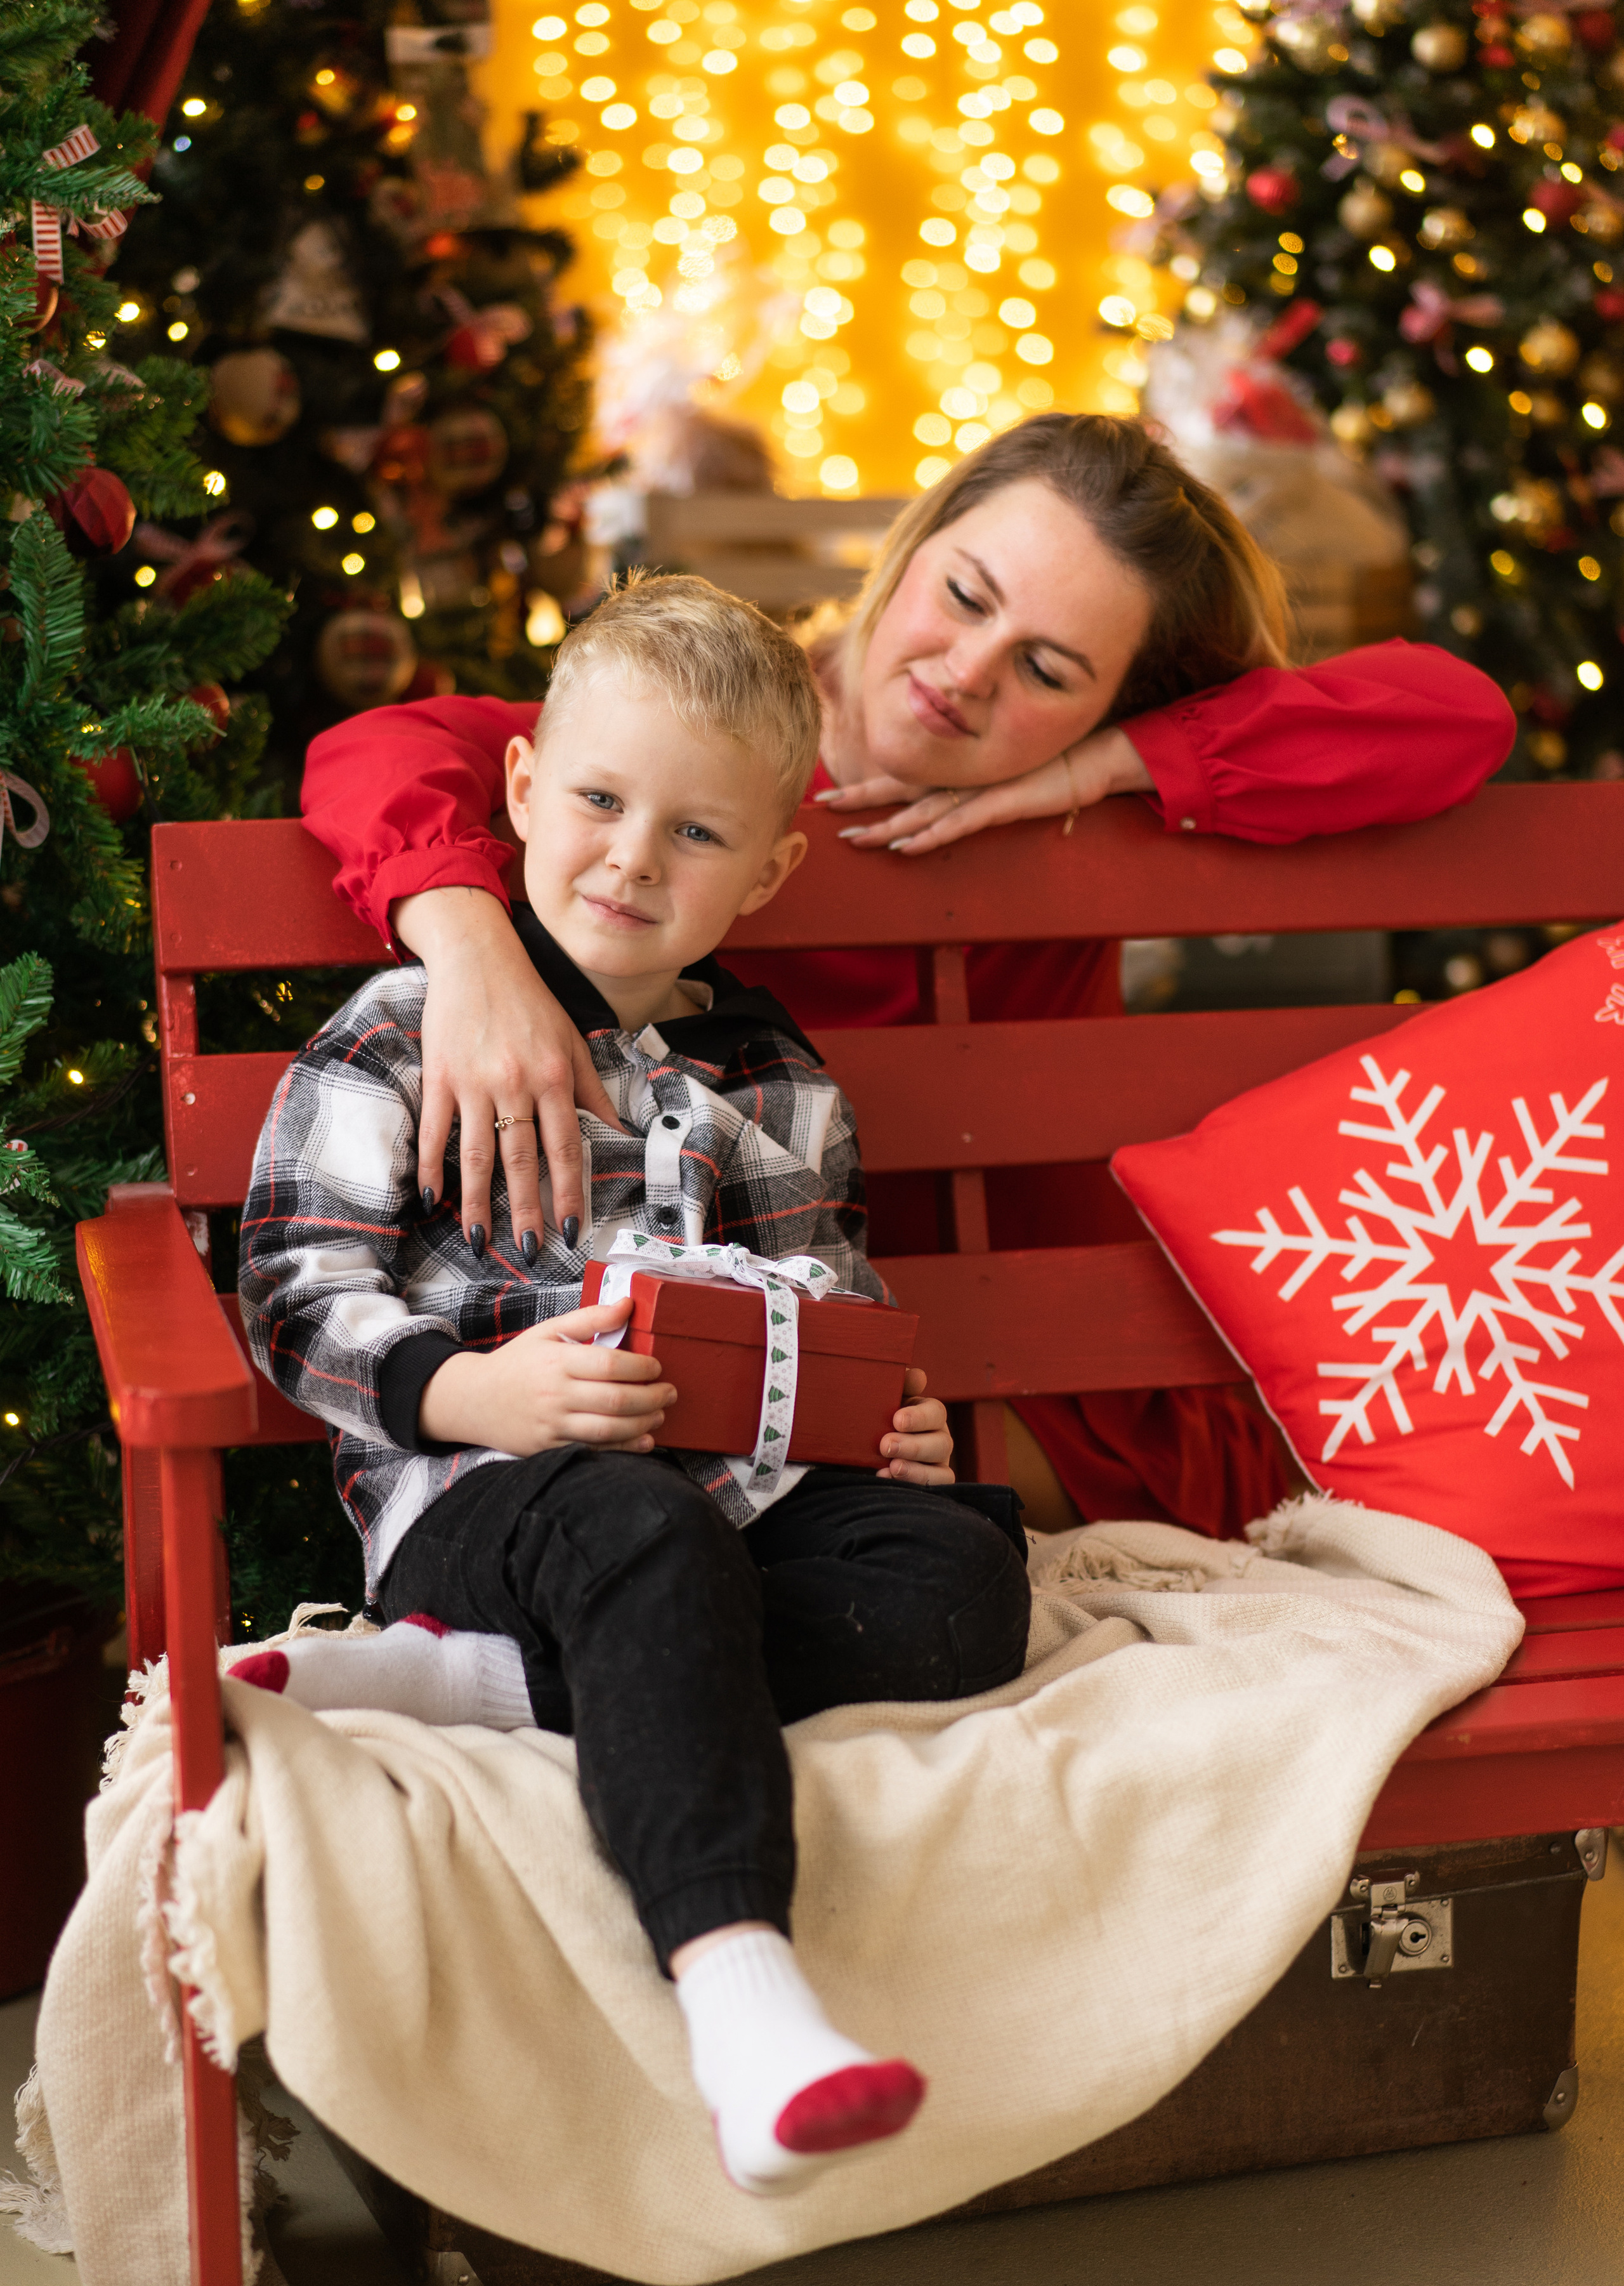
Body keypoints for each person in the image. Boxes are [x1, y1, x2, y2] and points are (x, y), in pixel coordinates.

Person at [300, 414, 1517, 1541]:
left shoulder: (1084, 804)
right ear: (915, 542)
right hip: (709, 1365)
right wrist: (475, 957)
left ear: (1112, 706)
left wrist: (1103, 770)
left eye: (1050, 672)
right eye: (965, 594)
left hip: (1020, 1385)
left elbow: (1460, 718)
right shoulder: (709, 741)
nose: (967, 672)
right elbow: (378, 747)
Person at [235, 574, 1032, 2198]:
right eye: (598, 802)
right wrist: (471, 1394)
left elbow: (829, 1299)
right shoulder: (402, 1031)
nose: (631, 859)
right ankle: (743, 2003)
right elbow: (291, 1293)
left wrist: (890, 1418)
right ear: (522, 789)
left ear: (769, 869)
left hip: (733, 1507)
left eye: (695, 833)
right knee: (637, 1536)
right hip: (492, 1498)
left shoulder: (777, 1080)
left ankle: (481, 1686)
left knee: (960, 1579)